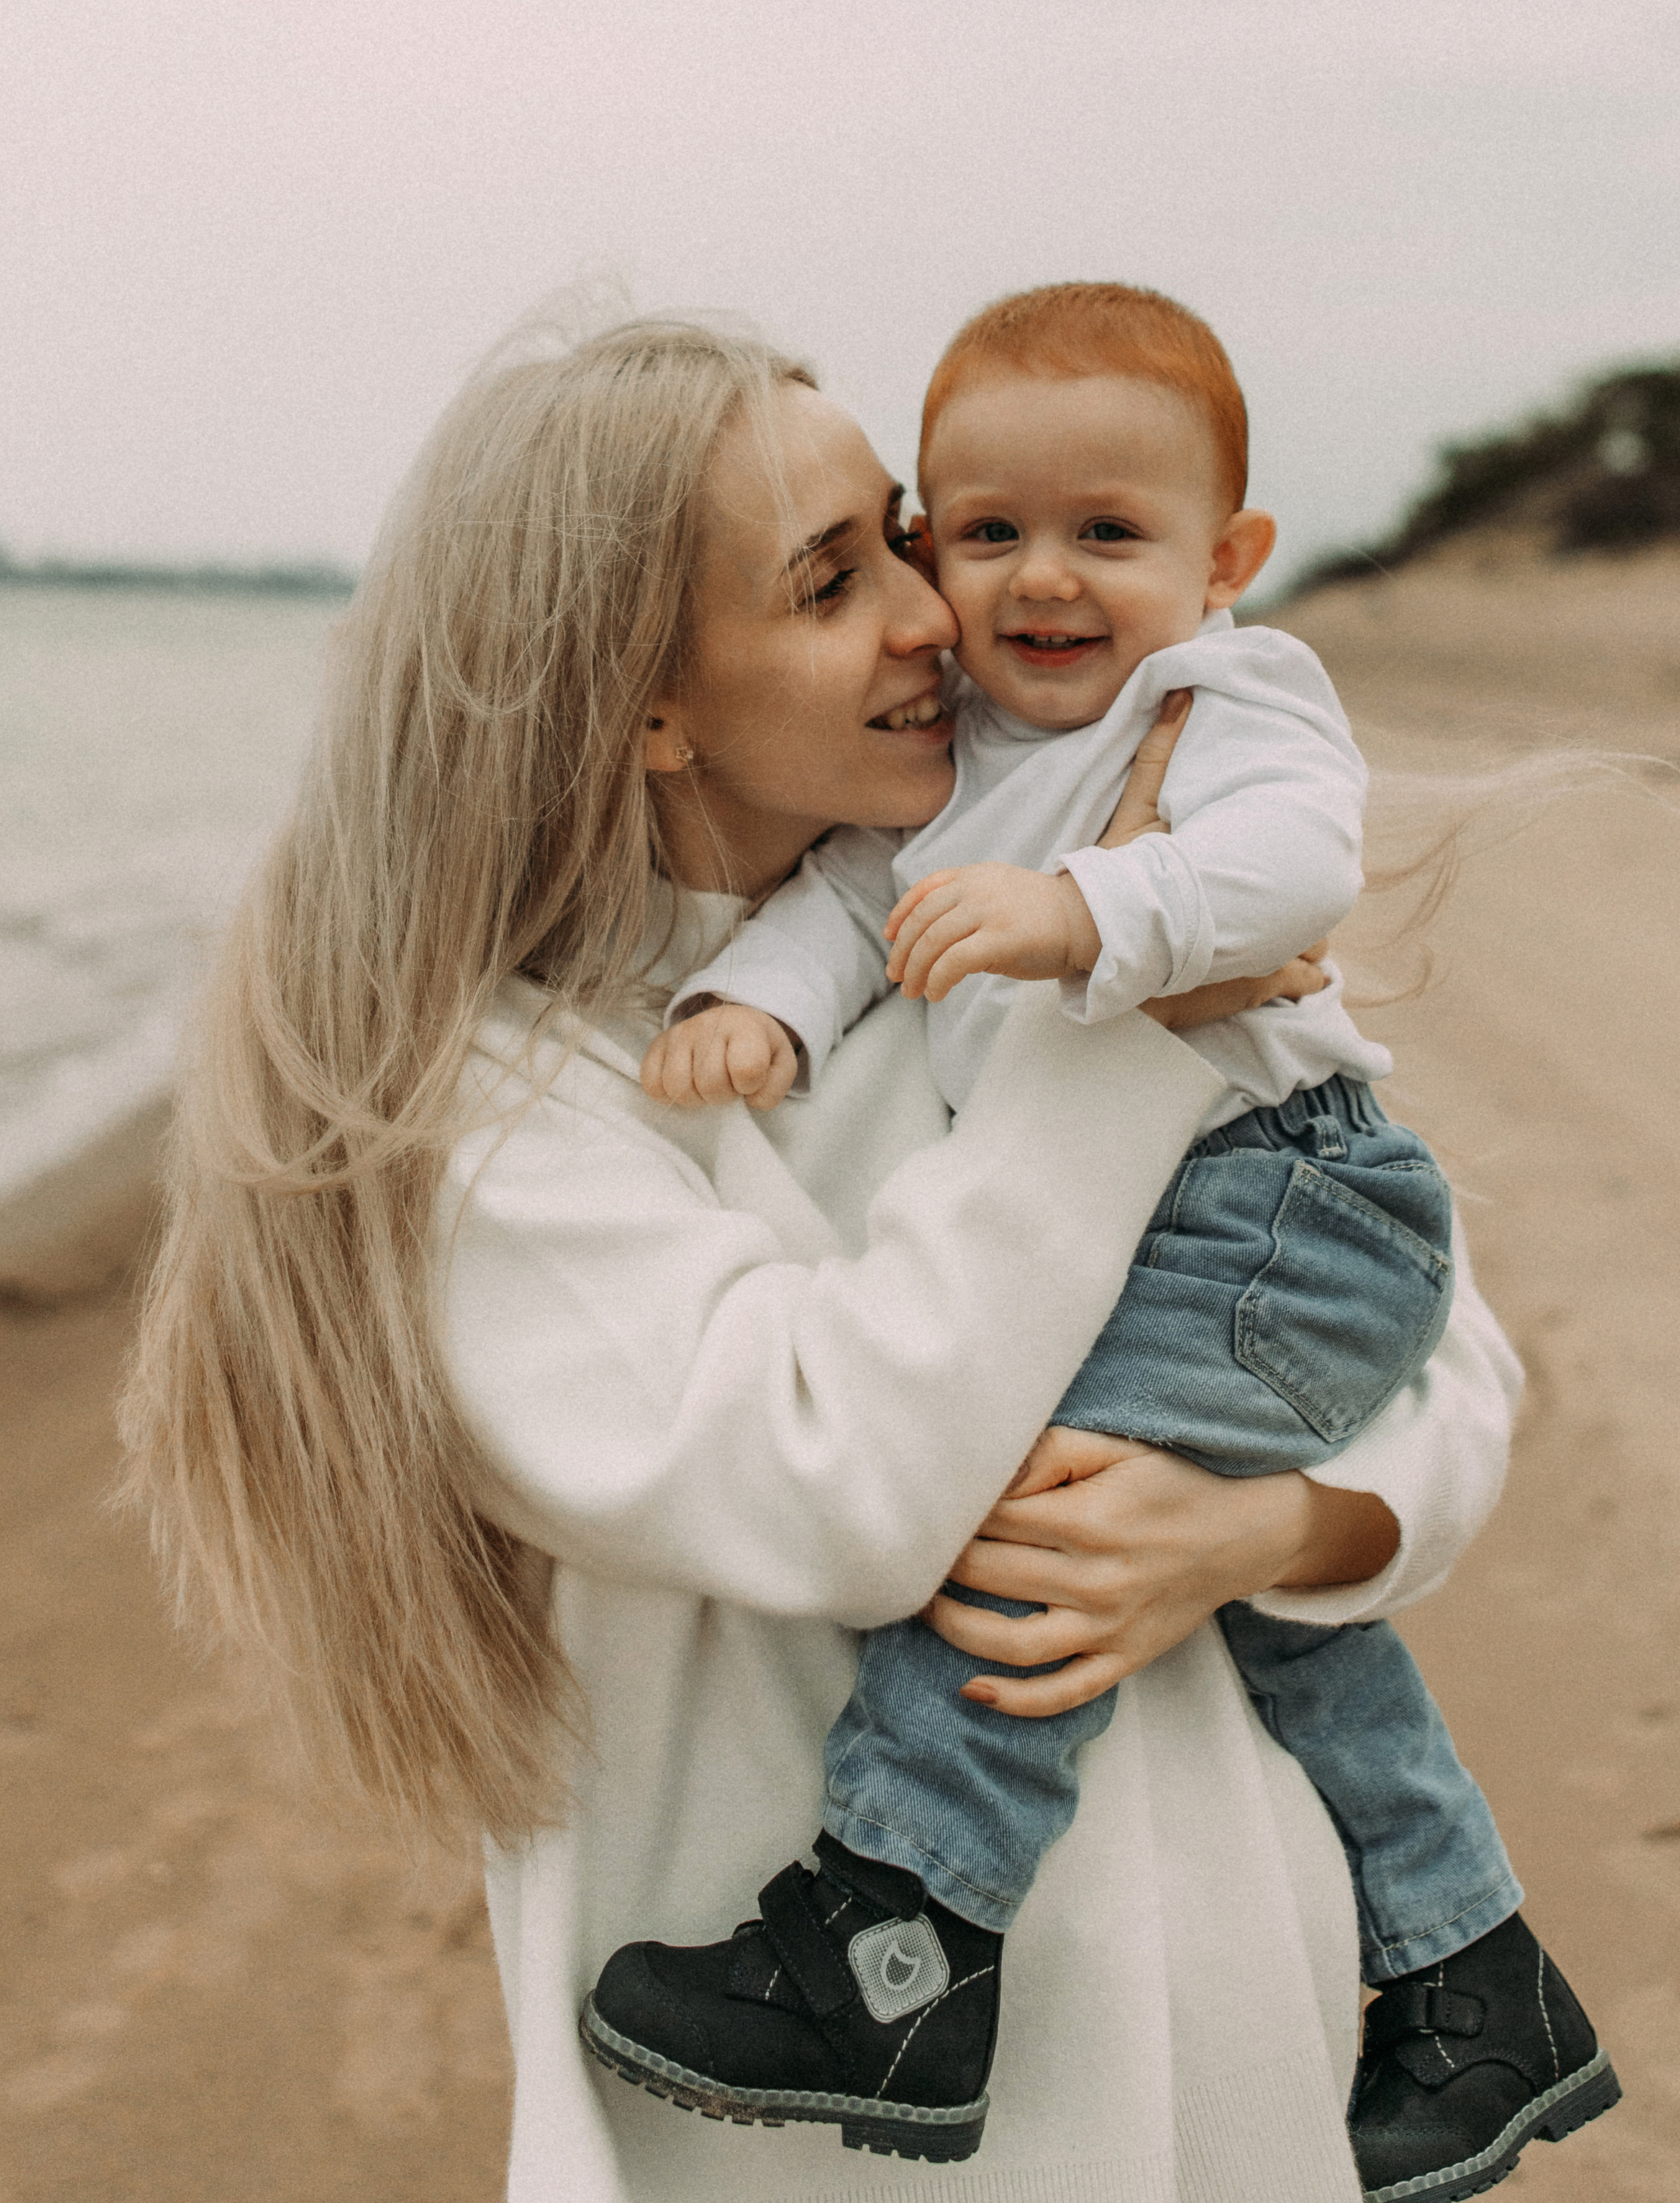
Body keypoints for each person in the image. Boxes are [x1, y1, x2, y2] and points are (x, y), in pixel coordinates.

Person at [122, 311, 1525, 2203]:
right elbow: (834, 1482)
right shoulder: (496, 1108)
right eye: (831, 578)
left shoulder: (997, 944)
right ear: (647, 702)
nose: (940, 613)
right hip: (827, 2140)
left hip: (1229, 2042)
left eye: (907, 537)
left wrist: (1277, 1531)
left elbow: (1442, 1354)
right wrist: (1128, 1025)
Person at [595, 284, 1617, 2202]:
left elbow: (1295, 864)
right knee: (1235, 1610)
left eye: (1109, 532)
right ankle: (1473, 1975)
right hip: (1210, 1216)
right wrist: (761, 1012)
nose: (1041, 579)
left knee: (1034, 1523)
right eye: (985, 533)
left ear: (1227, 560)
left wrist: (1091, 917)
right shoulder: (961, 756)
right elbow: (855, 905)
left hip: (1288, 1197)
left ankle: (899, 1938)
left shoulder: (1221, 699)